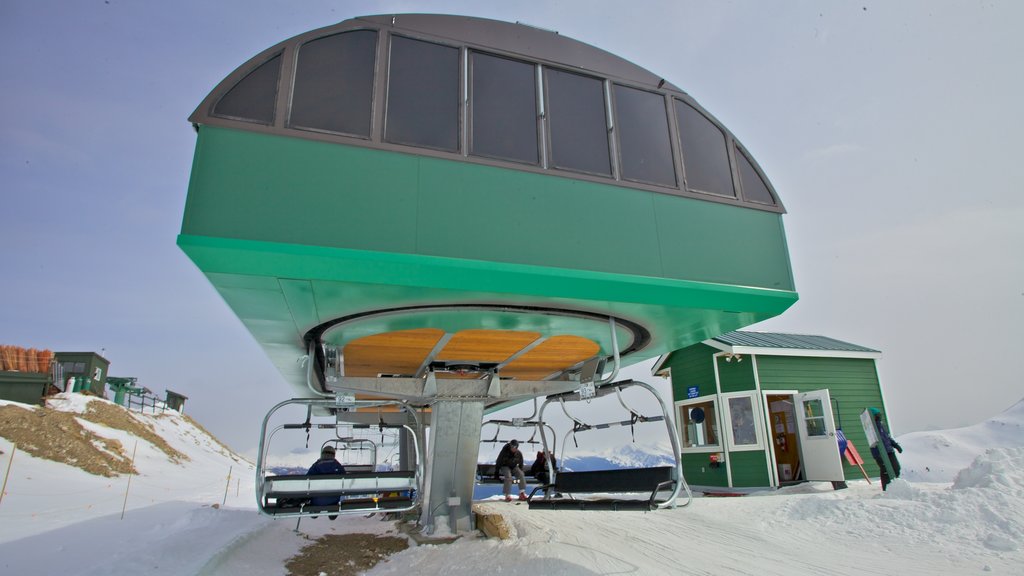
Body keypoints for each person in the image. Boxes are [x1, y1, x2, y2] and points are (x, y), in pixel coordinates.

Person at [868, 407, 903, 491]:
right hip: (879, 453)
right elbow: (873, 442)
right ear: (873, 417)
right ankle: (886, 489)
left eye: (879, 415)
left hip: (889, 451)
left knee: (896, 468)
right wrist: (877, 454)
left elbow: (887, 437)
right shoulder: (871, 428)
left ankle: (895, 486)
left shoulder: (881, 425)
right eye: (877, 415)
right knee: (885, 470)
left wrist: (895, 445)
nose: (879, 416)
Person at [308, 444, 346, 519]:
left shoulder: (316, 466)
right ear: (333, 455)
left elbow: (307, 480)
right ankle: (332, 512)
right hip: (333, 499)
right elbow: (345, 481)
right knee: (332, 497)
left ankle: (315, 511)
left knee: (317, 499)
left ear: (322, 454)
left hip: (317, 500)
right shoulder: (338, 466)